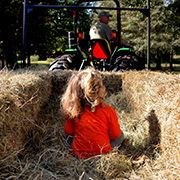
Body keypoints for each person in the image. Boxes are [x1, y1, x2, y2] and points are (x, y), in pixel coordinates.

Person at [61, 68, 124, 159]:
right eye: (102, 86)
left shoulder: (73, 111)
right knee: (121, 136)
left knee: (69, 138)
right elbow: (116, 135)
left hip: (79, 155)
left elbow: (68, 131)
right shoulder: (108, 110)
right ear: (100, 90)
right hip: (103, 153)